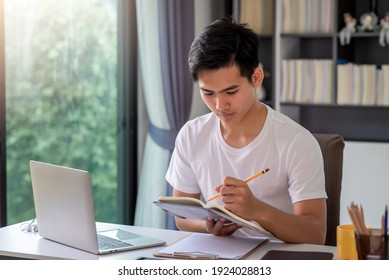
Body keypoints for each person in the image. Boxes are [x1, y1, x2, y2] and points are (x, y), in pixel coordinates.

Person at [165, 16, 327, 244]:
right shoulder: (191, 135)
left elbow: (315, 234)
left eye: (231, 92)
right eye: (208, 93)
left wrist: (256, 210)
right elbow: (181, 217)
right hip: (218, 257)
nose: (220, 106)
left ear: (256, 78)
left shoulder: (296, 141)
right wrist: (209, 227)